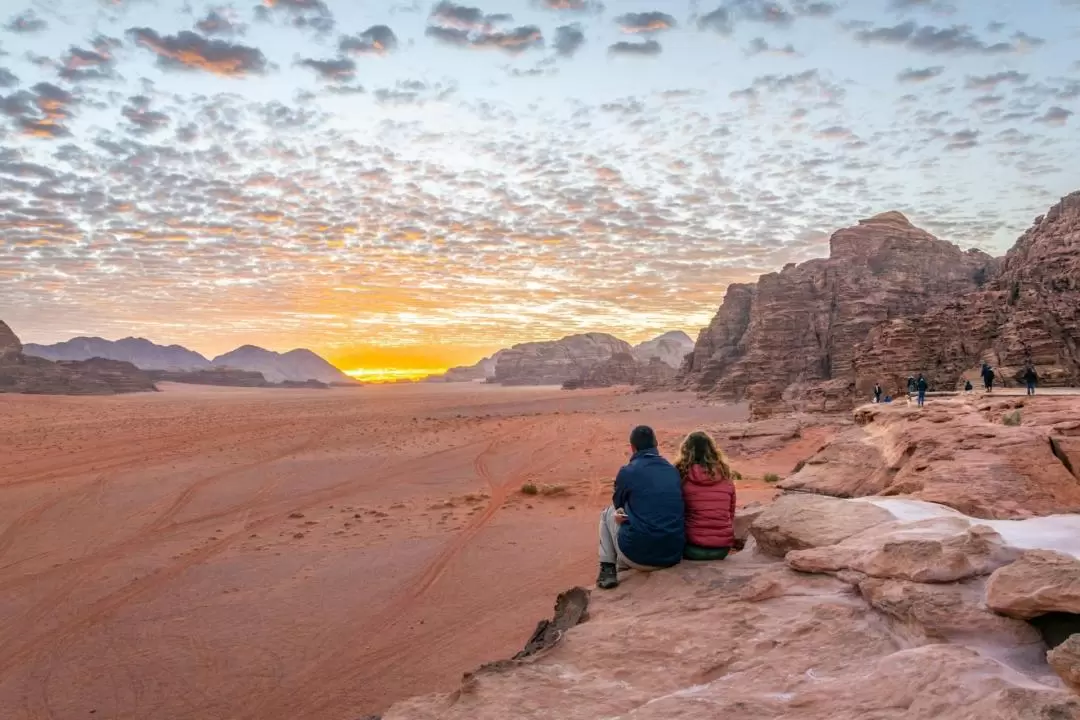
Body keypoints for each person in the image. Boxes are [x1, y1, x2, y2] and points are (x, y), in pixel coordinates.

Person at [597, 425, 685, 590]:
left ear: (632, 447)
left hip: (639, 557)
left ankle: (607, 569)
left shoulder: (627, 472)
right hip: (673, 554)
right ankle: (622, 565)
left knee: (607, 513)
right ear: (656, 444)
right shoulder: (672, 471)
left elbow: (619, 505)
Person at [675, 431, 736, 561]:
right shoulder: (725, 474)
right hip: (722, 549)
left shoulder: (680, 475)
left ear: (686, 450)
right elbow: (730, 513)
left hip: (691, 548)